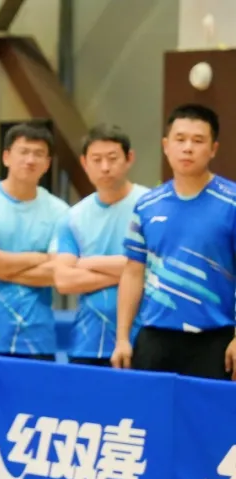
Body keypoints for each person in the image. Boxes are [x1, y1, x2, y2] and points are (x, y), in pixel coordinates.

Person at [0, 121, 68, 477]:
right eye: (23, 151)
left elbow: (59, 273)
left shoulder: (60, 212)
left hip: (36, 336)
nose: (30, 160)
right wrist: (39, 257)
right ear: (6, 156)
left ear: (48, 163)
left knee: (33, 424)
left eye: (39, 154)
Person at [114, 104, 236, 380]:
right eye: (180, 139)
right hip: (155, 340)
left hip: (215, 341)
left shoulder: (231, 202)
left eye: (198, 140)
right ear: (166, 146)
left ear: (213, 149)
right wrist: (122, 338)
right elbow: (133, 272)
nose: (188, 148)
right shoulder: (146, 205)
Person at [51, 124, 149, 366]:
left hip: (144, 339)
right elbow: (64, 281)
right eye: (96, 160)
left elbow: (155, 269)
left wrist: (87, 263)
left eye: (112, 158)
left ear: (129, 158)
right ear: (84, 163)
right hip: (87, 341)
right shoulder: (72, 217)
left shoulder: (152, 207)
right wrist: (129, 272)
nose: (105, 167)